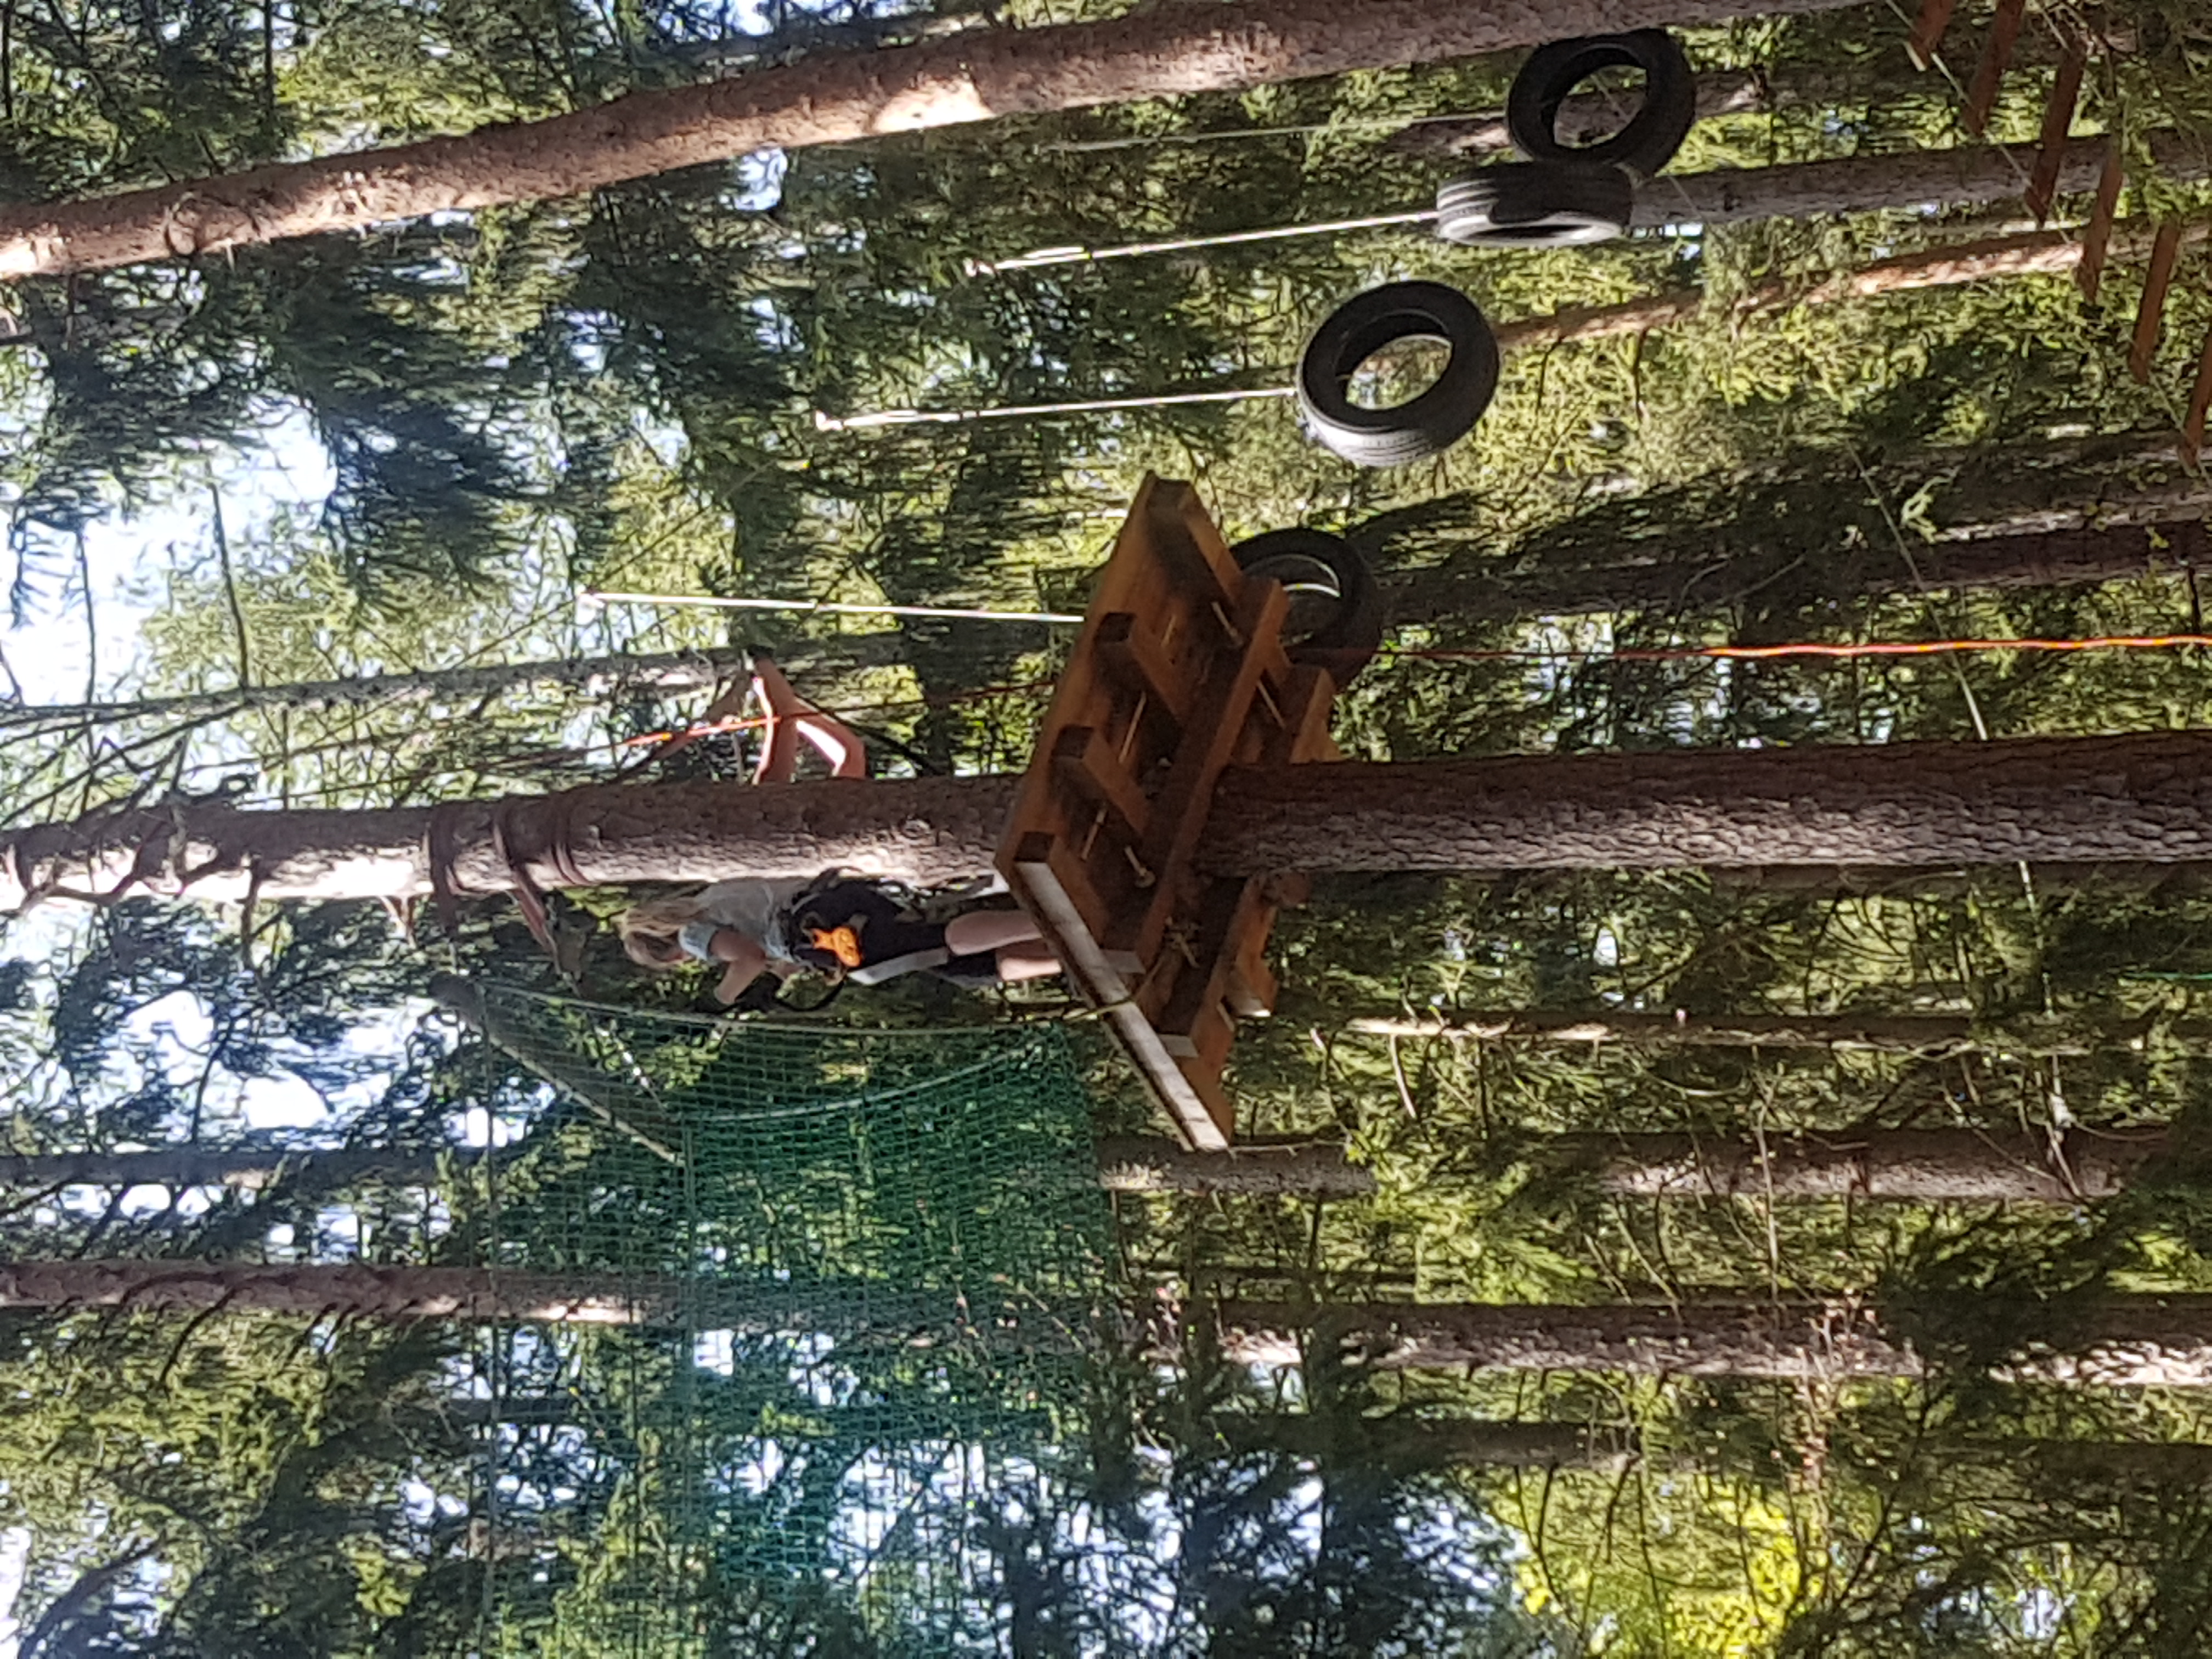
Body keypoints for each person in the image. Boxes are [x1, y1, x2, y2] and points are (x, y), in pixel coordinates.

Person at [617, 652, 1061, 1002]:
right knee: (944, 957)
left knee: (937, 944)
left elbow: (749, 957)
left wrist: (722, 999)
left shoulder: (700, 930)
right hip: (832, 874)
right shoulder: (720, 887)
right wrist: (781, 697)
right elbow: (843, 752)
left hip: (836, 871)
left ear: (669, 950)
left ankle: (1058, 932)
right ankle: (1065, 949)